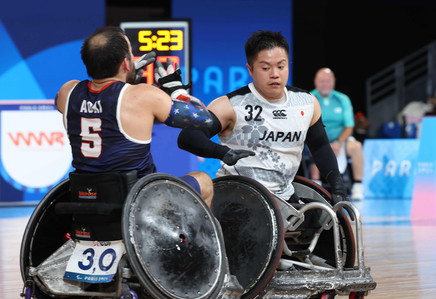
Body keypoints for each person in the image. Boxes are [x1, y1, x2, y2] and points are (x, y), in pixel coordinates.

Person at [172, 30, 348, 205]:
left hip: (285, 196)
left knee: (325, 223)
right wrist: (223, 153)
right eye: (265, 68)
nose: (275, 74)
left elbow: (320, 147)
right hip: (238, 196)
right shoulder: (230, 105)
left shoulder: (307, 102)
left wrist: (338, 188)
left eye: (281, 66)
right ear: (250, 69)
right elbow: (187, 137)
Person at [55, 26, 222, 206]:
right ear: (126, 63)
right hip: (139, 202)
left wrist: (125, 78)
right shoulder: (143, 96)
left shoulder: (67, 92)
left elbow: (100, 98)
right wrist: (176, 89)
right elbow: (203, 117)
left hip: (86, 199)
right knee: (203, 180)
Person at [310, 67, 364, 200]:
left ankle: (358, 185)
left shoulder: (343, 99)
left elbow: (349, 126)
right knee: (313, 146)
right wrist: (323, 142)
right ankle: (316, 184)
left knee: (356, 147)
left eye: (328, 81)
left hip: (340, 140)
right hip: (317, 139)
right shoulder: (309, 98)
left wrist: (339, 142)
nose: (325, 84)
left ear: (333, 82)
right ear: (315, 82)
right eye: (322, 81)